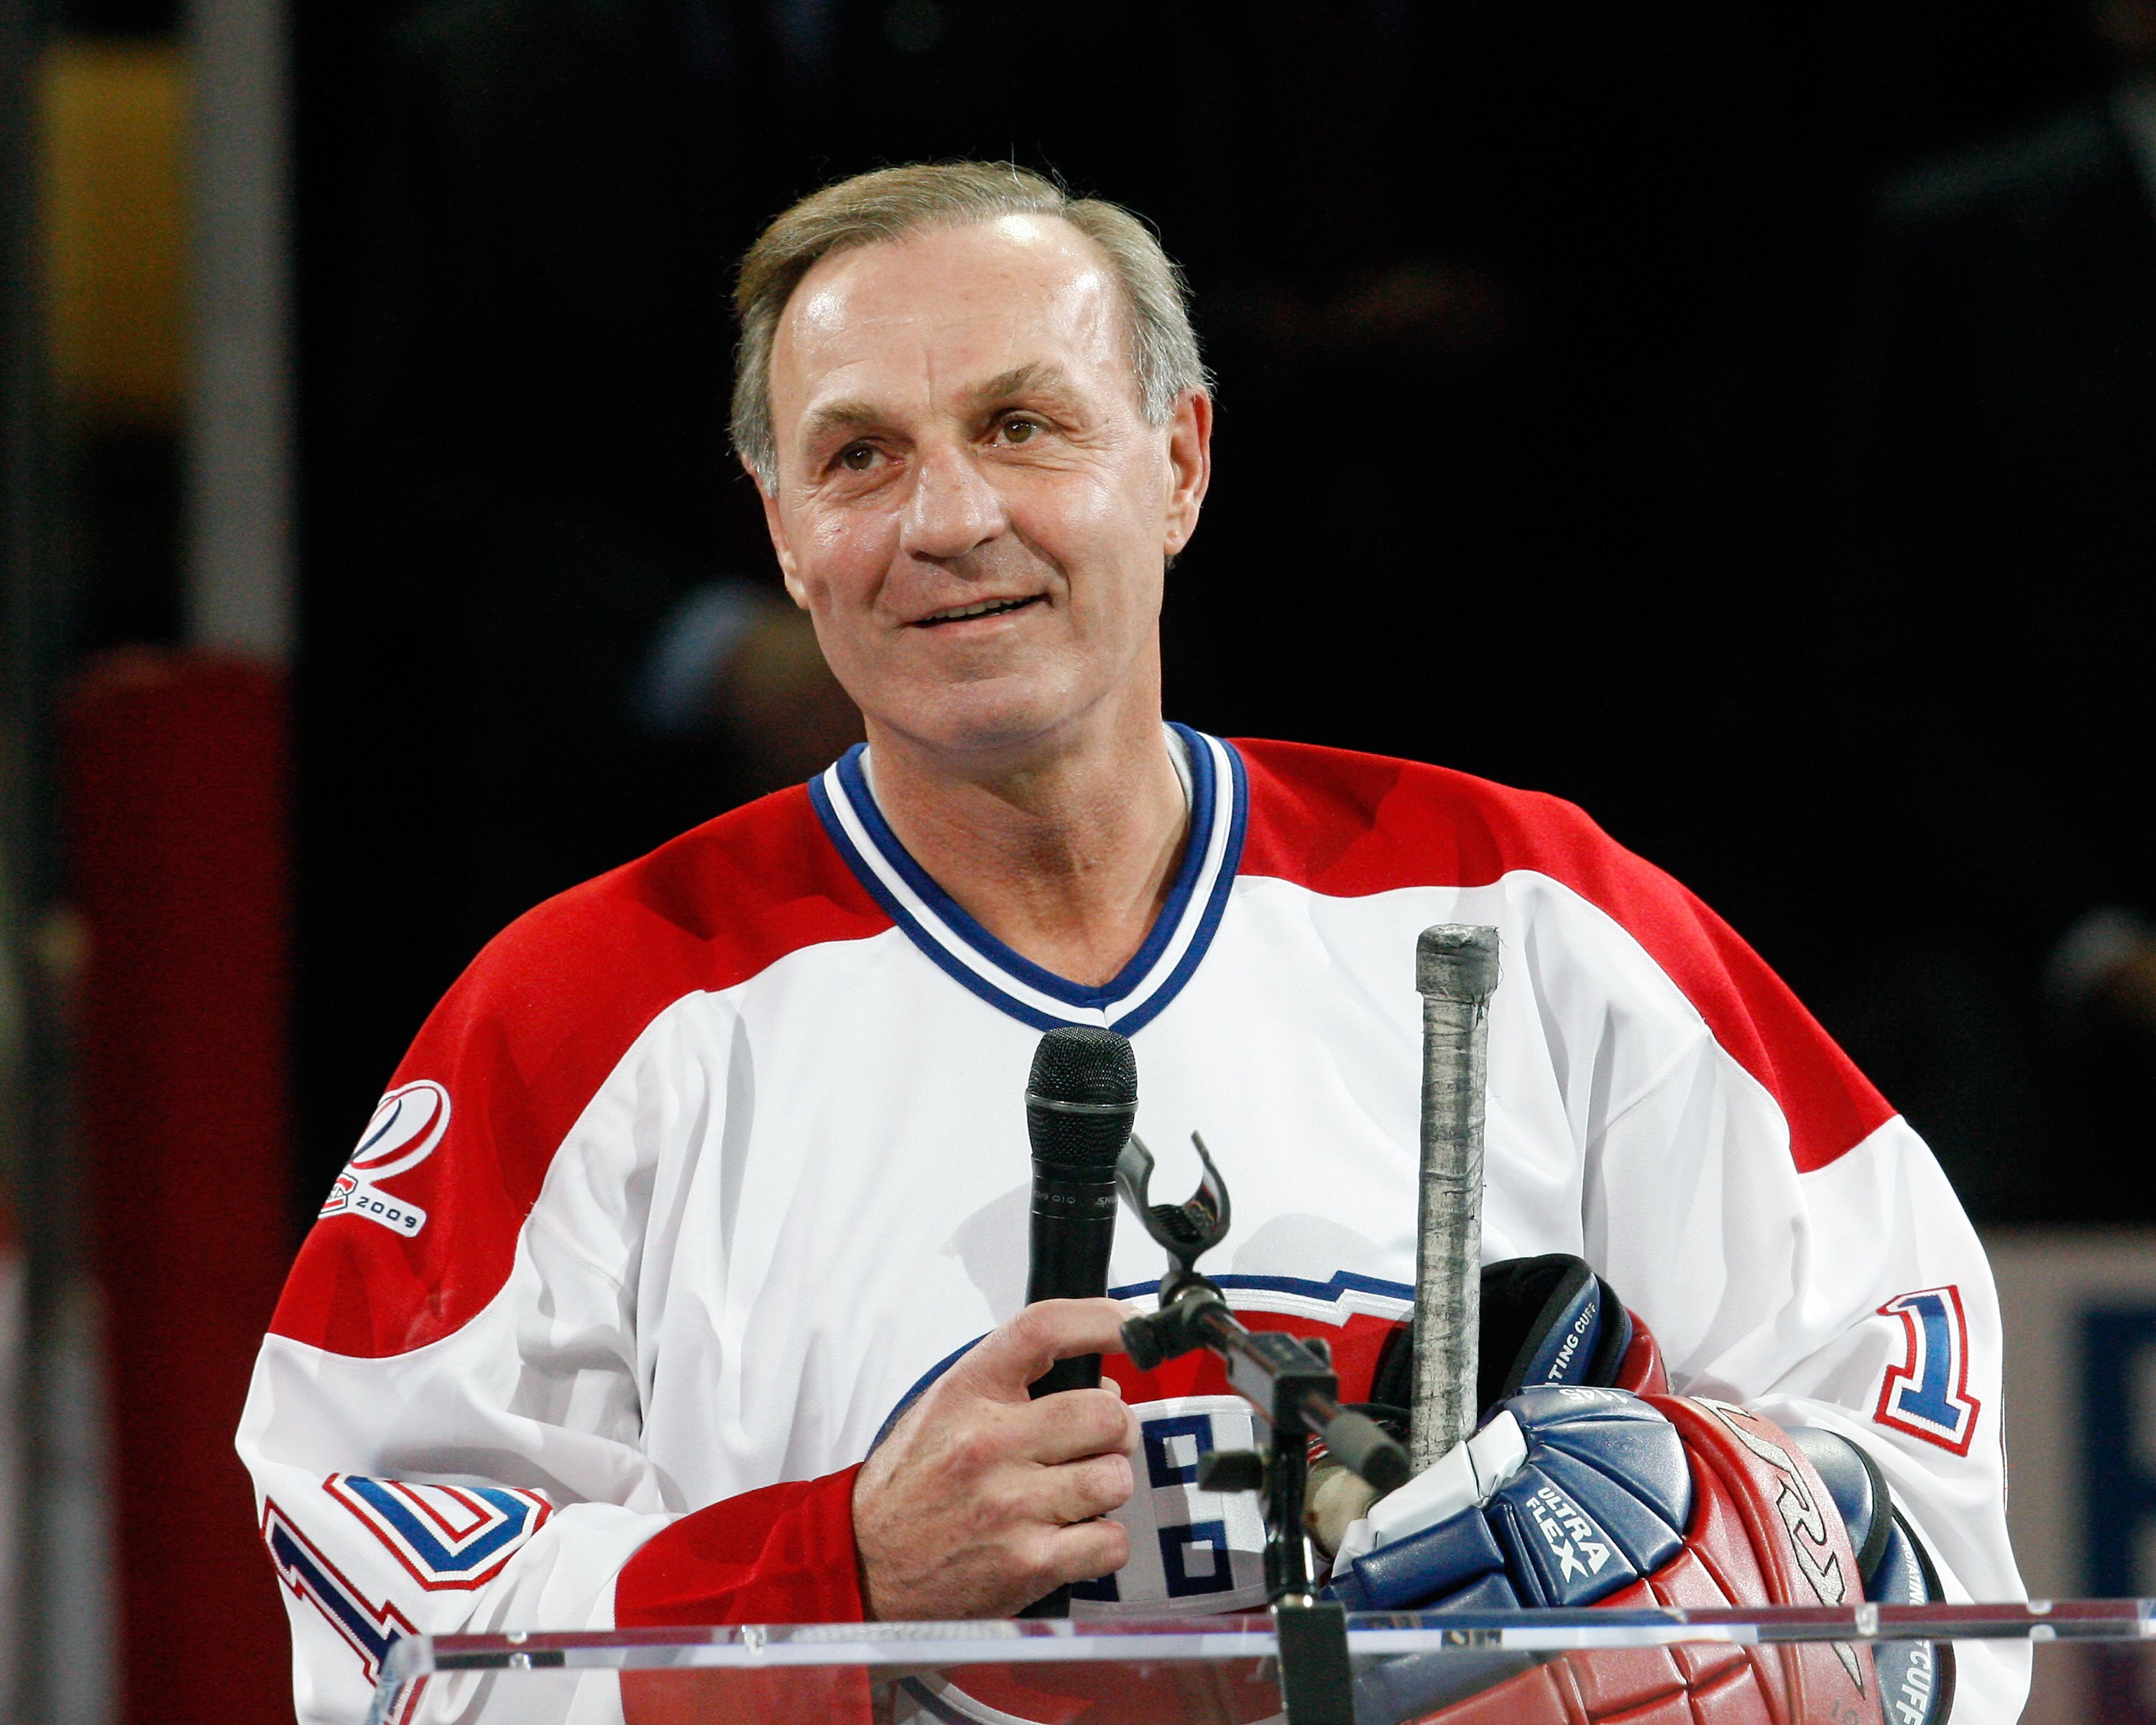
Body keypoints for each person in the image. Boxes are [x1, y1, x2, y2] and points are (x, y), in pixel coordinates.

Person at [240, 164, 2022, 1724]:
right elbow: (381, 1620)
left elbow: (1918, 1463)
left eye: (1024, 425)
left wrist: (1706, 1522)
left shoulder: (1534, 912)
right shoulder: (579, 1011)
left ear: (1179, 462)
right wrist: (832, 1569)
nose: (949, 520)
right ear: (785, 536)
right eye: (861, 457)